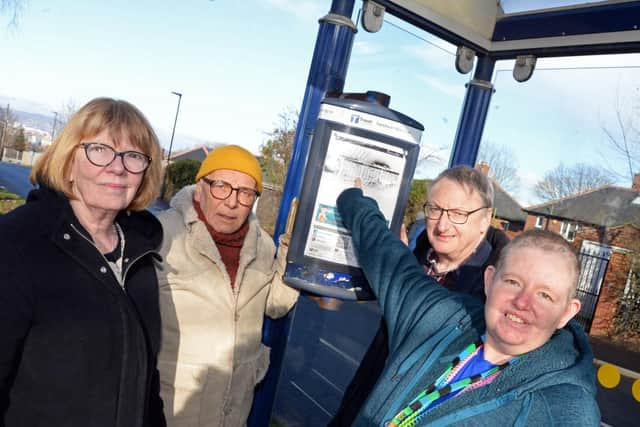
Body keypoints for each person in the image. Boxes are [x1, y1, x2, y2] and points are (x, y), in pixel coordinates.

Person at [335, 187, 600, 426]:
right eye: (512, 282)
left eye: (545, 295)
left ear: (567, 313)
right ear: (489, 280)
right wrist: (351, 198)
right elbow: (385, 254)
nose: (522, 302)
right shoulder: (441, 316)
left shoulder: (566, 409)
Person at [0, 98, 166, 427]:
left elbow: (147, 381)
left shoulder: (140, 255)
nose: (118, 167)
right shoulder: (17, 243)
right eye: (100, 150)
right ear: (69, 161)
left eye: (133, 155)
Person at [331, 166, 509, 426]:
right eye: (435, 209)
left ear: (485, 220)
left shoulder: (491, 294)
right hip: (365, 402)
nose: (443, 224)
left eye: (459, 213)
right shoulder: (415, 257)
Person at [156, 144, 299, 426]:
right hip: (171, 410)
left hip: (233, 410)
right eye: (221, 186)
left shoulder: (263, 245)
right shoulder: (161, 236)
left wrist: (290, 251)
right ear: (200, 187)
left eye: (245, 193)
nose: (232, 202)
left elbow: (275, 304)